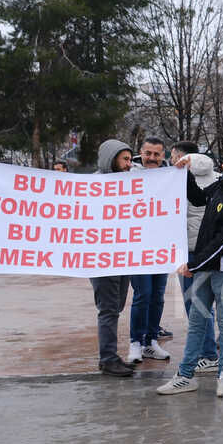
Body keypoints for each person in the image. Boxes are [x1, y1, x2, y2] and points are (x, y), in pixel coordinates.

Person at [156, 142, 223, 396]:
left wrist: (196, 263)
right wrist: (185, 174)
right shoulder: (222, 184)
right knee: (196, 321)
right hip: (204, 267)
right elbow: (198, 198)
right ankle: (185, 375)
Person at [90, 139, 145, 377]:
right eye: (124, 159)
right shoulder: (92, 184)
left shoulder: (129, 183)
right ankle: (108, 358)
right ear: (110, 158)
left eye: (130, 159)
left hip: (123, 256)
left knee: (116, 306)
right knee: (108, 309)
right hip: (101, 258)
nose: (128, 164)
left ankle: (111, 356)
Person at [169, 141, 220, 377]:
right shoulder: (216, 176)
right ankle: (209, 351)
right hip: (212, 250)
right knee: (207, 303)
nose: (170, 161)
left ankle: (208, 354)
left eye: (172, 156)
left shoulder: (180, 179)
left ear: (182, 157)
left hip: (191, 249)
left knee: (195, 304)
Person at [127, 136, 173, 363]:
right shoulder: (129, 175)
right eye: (148, 153)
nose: (152, 158)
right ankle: (135, 342)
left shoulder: (171, 176)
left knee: (157, 296)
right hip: (138, 246)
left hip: (161, 246)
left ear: (162, 155)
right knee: (142, 294)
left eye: (157, 154)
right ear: (141, 153)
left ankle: (151, 341)